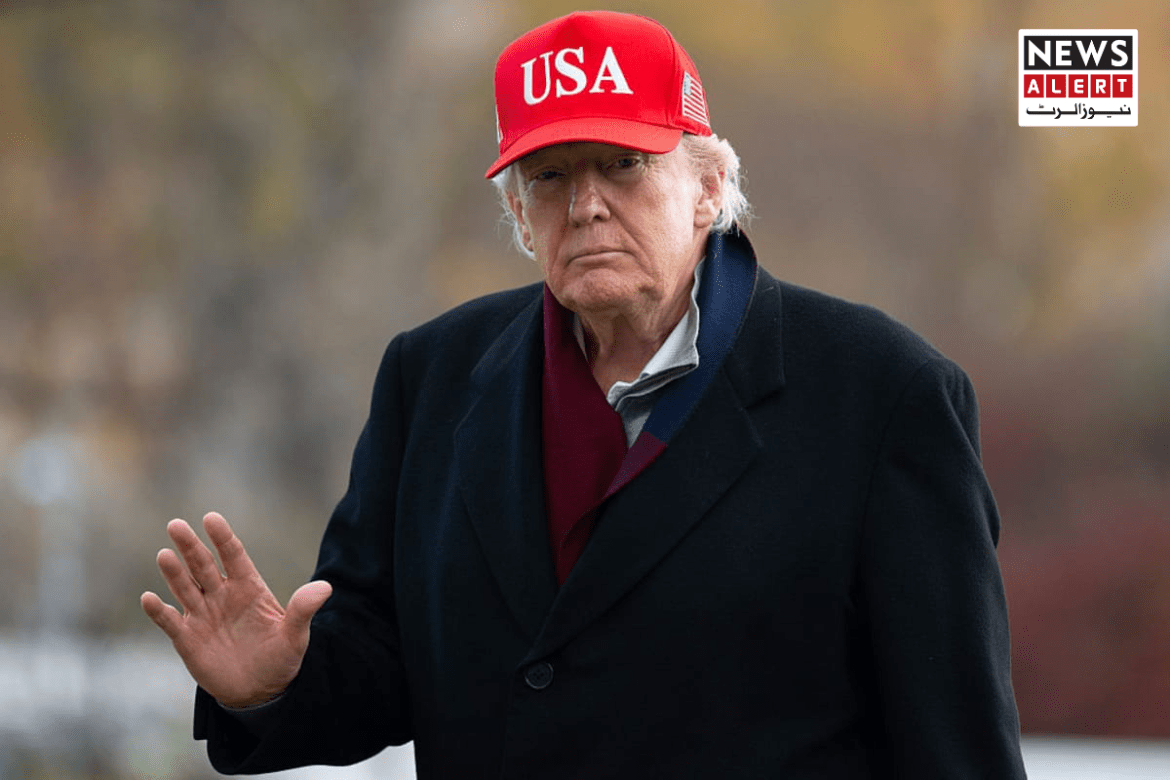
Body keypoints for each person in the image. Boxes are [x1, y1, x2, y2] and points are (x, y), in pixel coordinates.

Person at [142, 10, 1027, 778]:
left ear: (710, 188)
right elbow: (386, 666)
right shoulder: (434, 377)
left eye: (622, 164)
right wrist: (277, 687)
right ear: (521, 216)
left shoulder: (882, 395)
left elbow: (957, 749)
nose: (587, 206)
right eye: (551, 177)